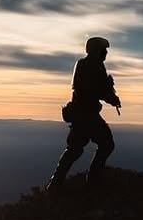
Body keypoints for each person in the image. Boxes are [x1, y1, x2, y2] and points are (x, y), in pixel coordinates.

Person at [46, 36, 121, 191]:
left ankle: (55, 184)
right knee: (106, 144)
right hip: (87, 115)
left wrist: (110, 95)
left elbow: (96, 89)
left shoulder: (85, 64)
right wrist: (112, 97)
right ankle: (92, 180)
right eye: (103, 50)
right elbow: (97, 89)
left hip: (82, 114)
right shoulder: (94, 66)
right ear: (96, 51)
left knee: (75, 149)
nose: (106, 53)